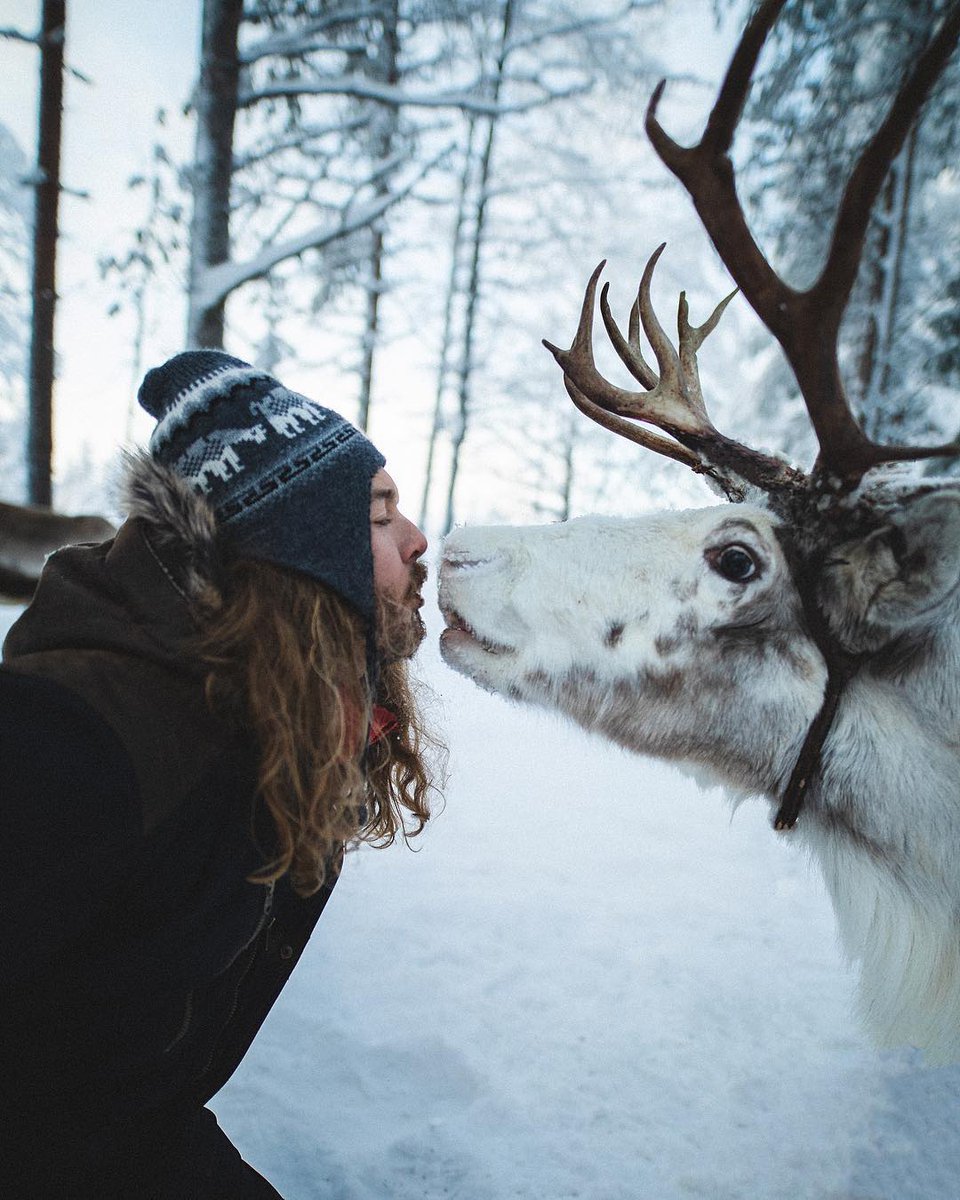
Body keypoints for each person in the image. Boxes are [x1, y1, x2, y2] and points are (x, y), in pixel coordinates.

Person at [0, 350, 440, 1198]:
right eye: (381, 512)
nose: (418, 539)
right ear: (302, 551)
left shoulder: (281, 730)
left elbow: (122, 1084)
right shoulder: (70, 740)